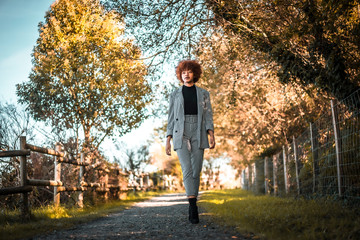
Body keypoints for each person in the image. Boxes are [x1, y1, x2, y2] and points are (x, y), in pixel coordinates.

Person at [166, 60, 215, 224]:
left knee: (196, 170)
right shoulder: (174, 94)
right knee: (187, 168)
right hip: (181, 132)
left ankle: (192, 200)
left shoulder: (204, 94)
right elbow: (171, 119)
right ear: (180, 74)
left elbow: (208, 115)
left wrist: (211, 134)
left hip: (199, 132)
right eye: (183, 71)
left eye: (189, 71)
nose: (186, 74)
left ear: (195, 73)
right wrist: (168, 140)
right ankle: (193, 206)